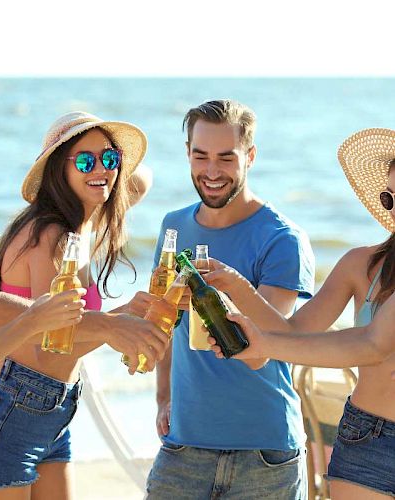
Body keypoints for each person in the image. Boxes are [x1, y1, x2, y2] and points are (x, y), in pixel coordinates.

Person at [0, 59, 167, 500]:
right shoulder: (50, 234)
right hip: (5, 411)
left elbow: (138, 181)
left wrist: (100, 170)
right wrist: (115, 325)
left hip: (48, 409)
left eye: (110, 158)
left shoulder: (83, 224)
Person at [209, 128, 395, 499]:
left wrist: (264, 345)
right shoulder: (362, 265)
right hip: (368, 437)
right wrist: (236, 286)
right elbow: (296, 332)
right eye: (391, 197)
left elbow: (373, 344)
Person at [143, 100, 315, 499]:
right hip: (183, 445)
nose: (212, 171)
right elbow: (165, 320)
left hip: (265, 454)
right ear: (188, 153)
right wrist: (163, 397)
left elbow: (269, 342)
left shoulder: (282, 238)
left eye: (226, 157)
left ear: (249, 156)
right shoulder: (174, 227)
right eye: (200, 156)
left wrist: (231, 288)